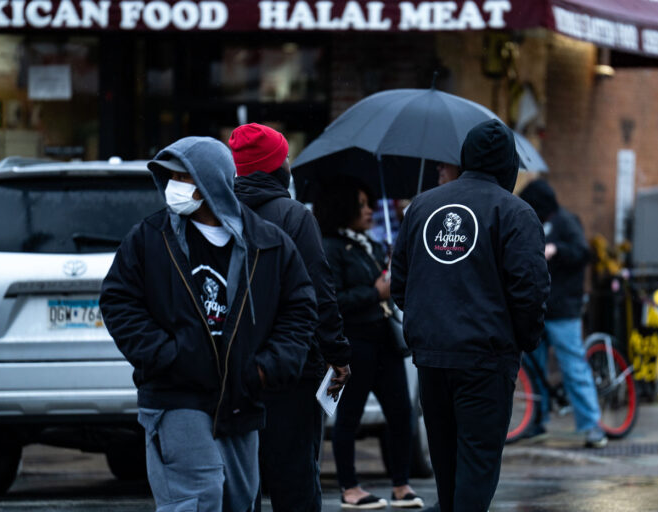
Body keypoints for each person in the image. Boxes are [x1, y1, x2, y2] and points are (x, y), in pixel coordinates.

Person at [99, 136, 318, 512]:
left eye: (182, 178)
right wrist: (167, 357)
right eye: (169, 177)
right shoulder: (149, 239)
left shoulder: (268, 243)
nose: (174, 188)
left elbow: (299, 309)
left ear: (210, 180)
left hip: (241, 396)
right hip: (176, 394)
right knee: (199, 497)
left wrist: (267, 368)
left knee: (238, 499)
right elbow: (119, 302)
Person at [391, 120, 550, 512]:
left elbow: (400, 284)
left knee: (446, 470)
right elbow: (529, 290)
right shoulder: (515, 212)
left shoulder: (422, 207)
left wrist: (428, 326)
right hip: (486, 360)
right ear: (509, 164)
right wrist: (523, 340)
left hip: (432, 357)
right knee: (476, 470)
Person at [228, 123, 352, 512]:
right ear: (277, 168)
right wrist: (337, 353)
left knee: (238, 479)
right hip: (290, 370)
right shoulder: (295, 217)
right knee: (294, 477)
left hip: (229, 368)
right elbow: (319, 292)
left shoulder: (218, 214)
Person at [314, 177, 424, 510]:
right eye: (360, 204)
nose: (368, 210)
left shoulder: (371, 244)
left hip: (384, 341)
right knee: (349, 416)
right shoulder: (331, 247)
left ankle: (401, 484)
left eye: (368, 203)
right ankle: (349, 487)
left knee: (401, 413)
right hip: (355, 343)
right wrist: (374, 293)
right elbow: (334, 299)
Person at [518, 179, 608, 448]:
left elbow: (583, 253)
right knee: (535, 367)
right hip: (539, 307)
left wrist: (557, 250)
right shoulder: (534, 223)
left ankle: (592, 425)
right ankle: (537, 420)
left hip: (563, 309)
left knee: (573, 367)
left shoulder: (567, 222)